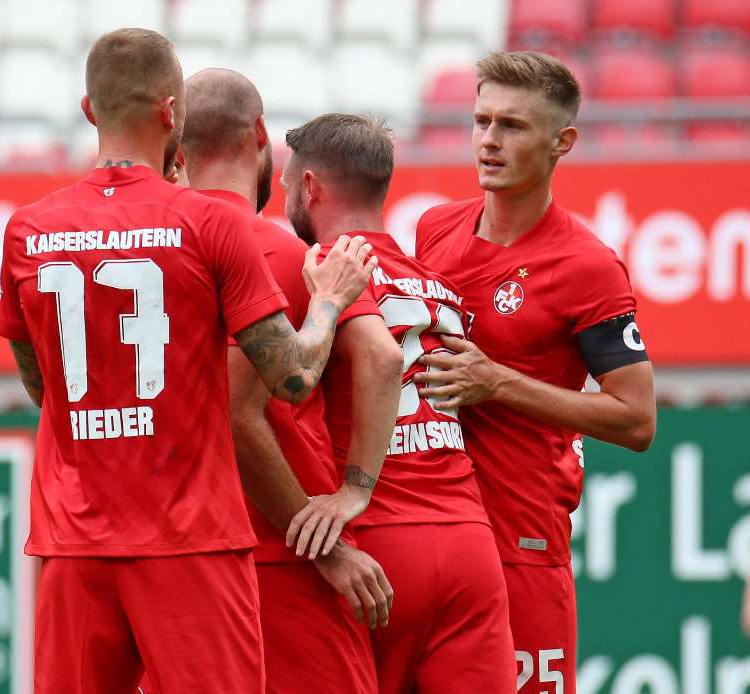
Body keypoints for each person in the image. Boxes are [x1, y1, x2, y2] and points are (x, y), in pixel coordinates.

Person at [0, 28, 376, 693]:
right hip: (189, 539)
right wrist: (328, 303)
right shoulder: (209, 222)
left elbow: (42, 385)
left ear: (90, 110)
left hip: (73, 542)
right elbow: (290, 378)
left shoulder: (29, 228)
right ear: (172, 111)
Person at [412, 51, 657, 694]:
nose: (489, 141)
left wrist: (499, 383)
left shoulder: (588, 267)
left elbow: (636, 419)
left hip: (521, 539)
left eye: (512, 127)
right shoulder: (435, 227)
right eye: (481, 121)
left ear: (561, 143)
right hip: (428, 528)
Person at [283, 113, 516, 693]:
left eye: (289, 184)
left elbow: (380, 360)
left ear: (310, 186)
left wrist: (355, 488)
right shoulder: (433, 281)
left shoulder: (328, 266)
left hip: (380, 539)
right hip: (467, 538)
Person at [178, 70, 385, 694]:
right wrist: (348, 507)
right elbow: (380, 358)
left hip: (173, 560)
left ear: (178, 150)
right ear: (262, 136)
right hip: (284, 552)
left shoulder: (148, 251)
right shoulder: (287, 253)